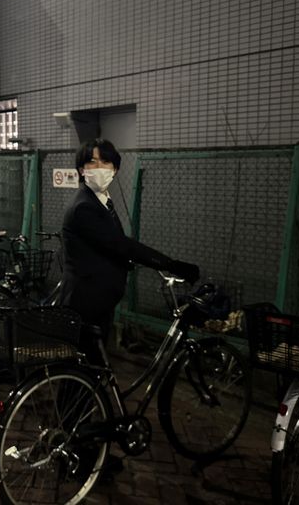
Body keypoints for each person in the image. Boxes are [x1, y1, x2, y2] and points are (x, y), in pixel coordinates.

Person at [61, 138, 200, 361]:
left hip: (98, 299)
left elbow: (106, 247)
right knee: (84, 367)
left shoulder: (100, 201)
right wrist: (170, 264)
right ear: (81, 169)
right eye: (92, 162)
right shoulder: (84, 206)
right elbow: (120, 244)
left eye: (105, 162)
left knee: (92, 366)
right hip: (87, 302)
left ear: (115, 169)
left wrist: (124, 262)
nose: (99, 167)